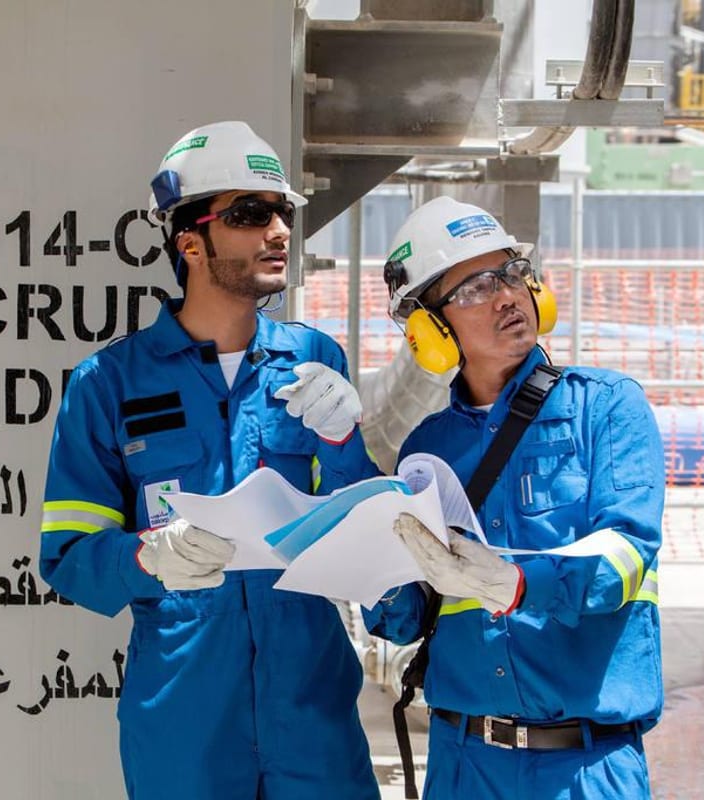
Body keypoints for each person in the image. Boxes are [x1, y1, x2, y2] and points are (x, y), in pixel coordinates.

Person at [38, 121, 382, 800]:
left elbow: (358, 536)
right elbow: (69, 558)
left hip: (312, 714)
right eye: (251, 215)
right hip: (182, 724)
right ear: (189, 241)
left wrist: (345, 443)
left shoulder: (316, 362)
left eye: (281, 212)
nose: (278, 232)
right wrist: (147, 556)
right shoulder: (108, 383)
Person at [357, 196, 664, 799]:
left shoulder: (606, 408)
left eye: (510, 274)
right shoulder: (428, 449)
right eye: (473, 287)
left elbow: (628, 555)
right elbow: (404, 618)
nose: (505, 296)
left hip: (586, 767)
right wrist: (371, 570)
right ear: (429, 327)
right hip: (465, 763)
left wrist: (517, 582)